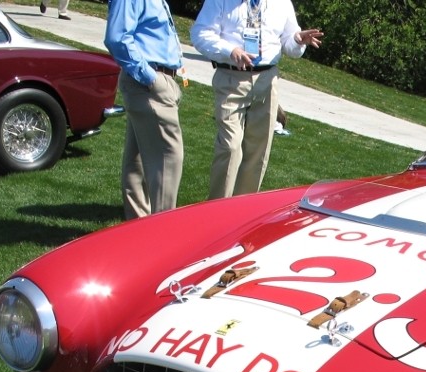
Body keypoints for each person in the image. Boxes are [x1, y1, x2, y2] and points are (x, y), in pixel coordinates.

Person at [191, 0, 323, 199]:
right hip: (232, 77)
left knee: (258, 151)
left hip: (267, 80)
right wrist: (230, 50)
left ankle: (241, 214)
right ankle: (217, 211)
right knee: (230, 146)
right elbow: (200, 34)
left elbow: (289, 44)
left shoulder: (282, 3)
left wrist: (297, 40)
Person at [104, 0, 185, 219]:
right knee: (168, 160)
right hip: (148, 82)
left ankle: (138, 231)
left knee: (137, 162)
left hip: (151, 82)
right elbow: (116, 38)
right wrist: (149, 77)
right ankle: (162, 236)